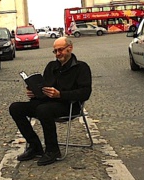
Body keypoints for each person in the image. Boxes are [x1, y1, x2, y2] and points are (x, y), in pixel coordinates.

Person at [9, 37, 92, 166]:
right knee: (15, 108)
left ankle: (52, 150)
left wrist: (60, 94)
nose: (58, 54)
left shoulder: (82, 67)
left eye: (60, 50)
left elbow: (85, 93)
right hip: (47, 102)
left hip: (69, 105)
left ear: (70, 48)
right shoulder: (51, 66)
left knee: (43, 110)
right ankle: (35, 146)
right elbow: (44, 88)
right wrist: (34, 92)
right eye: (55, 51)